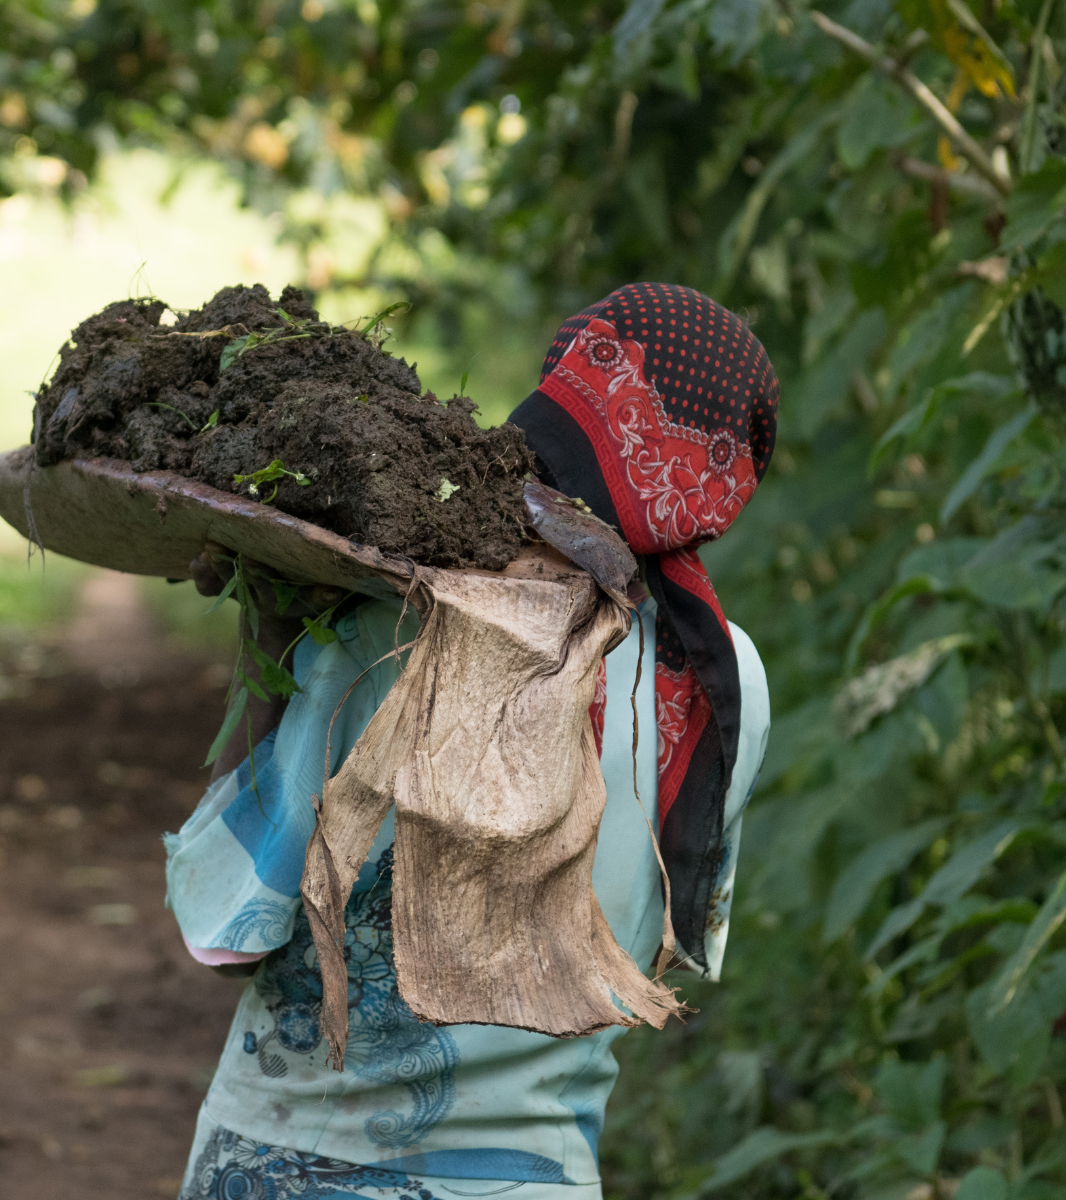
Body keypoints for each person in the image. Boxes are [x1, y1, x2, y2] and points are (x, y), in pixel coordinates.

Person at [163, 283, 779, 1199]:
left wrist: (268, 637)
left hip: (292, 1168)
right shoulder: (728, 684)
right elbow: (649, 962)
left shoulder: (395, 617)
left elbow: (227, 932)